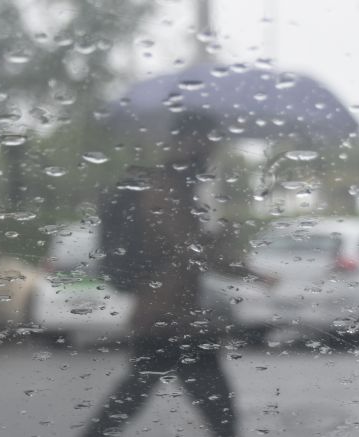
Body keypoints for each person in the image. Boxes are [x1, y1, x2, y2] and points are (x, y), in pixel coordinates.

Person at [81, 112, 274, 437]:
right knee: (214, 409)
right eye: (208, 143)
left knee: (138, 396)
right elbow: (186, 249)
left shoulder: (179, 189)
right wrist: (221, 243)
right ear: (188, 142)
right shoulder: (164, 188)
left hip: (170, 315)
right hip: (167, 317)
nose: (212, 153)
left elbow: (191, 249)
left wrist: (237, 259)